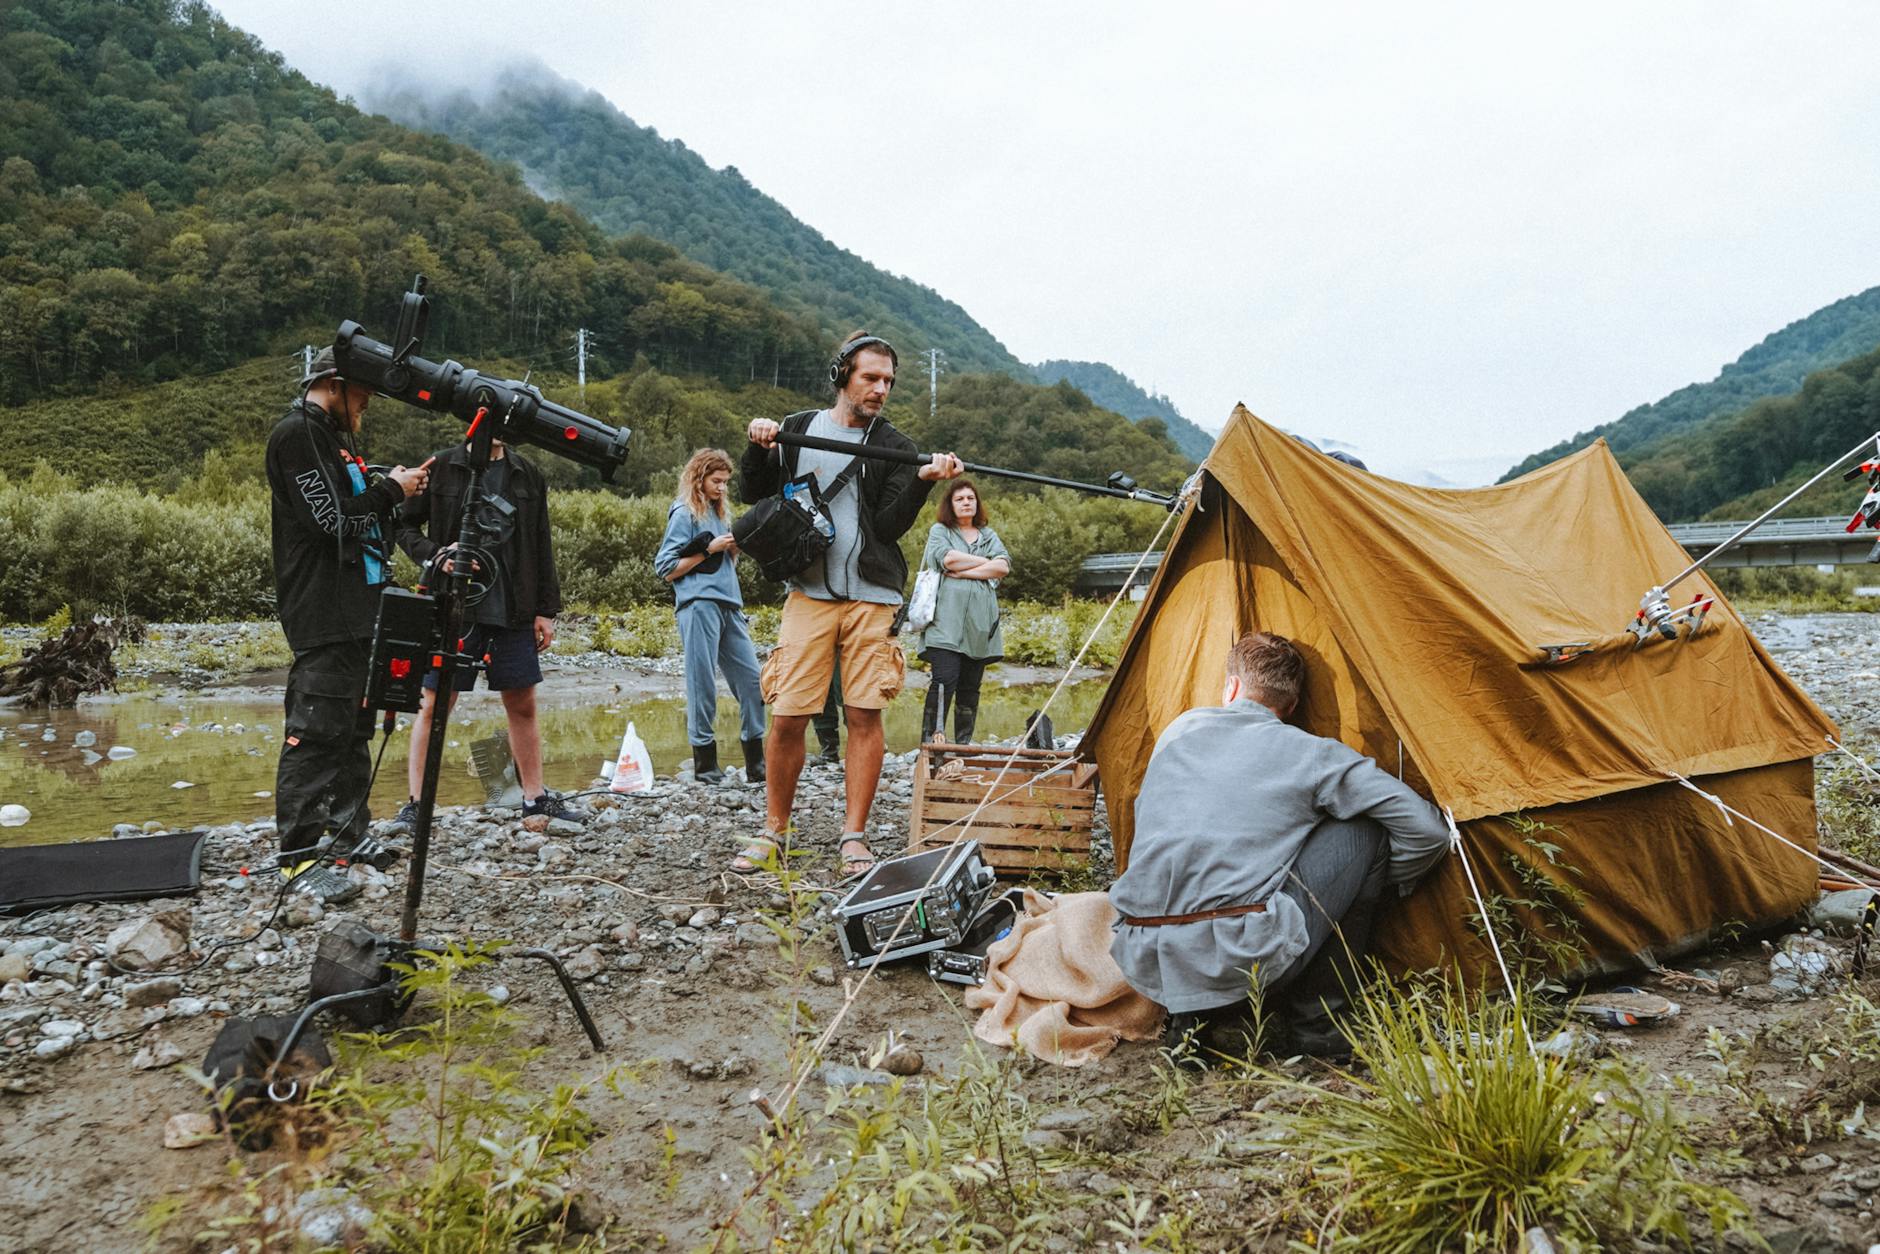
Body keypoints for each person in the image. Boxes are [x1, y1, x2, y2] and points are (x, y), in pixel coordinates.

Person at [1109, 631, 1450, 1060]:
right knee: (1365, 832)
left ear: (1231, 687)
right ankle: (1320, 1026)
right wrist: (1366, 884)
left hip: (1142, 954)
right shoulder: (1312, 753)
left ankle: (1190, 1021)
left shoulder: (1178, 731)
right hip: (1241, 957)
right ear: (1291, 706)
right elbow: (1428, 830)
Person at [735, 329, 963, 876]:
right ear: (843, 376)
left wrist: (922, 480)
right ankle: (773, 831)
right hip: (807, 593)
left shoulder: (897, 446)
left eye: (889, 381)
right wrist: (758, 445)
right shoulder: (796, 428)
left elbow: (887, 527)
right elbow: (752, 494)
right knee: (788, 715)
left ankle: (854, 836)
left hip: (872, 595)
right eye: (870, 378)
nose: (881, 389)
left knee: (863, 713)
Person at [267, 347, 432, 905]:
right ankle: (297, 859)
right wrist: (390, 491)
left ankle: (347, 834)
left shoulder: (330, 439)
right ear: (335, 384)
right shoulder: (297, 434)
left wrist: (388, 488)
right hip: (322, 611)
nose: (367, 404)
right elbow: (329, 520)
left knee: (355, 728)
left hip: (359, 609)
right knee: (316, 733)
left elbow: (353, 509)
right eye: (363, 393)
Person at [392, 436, 582, 822]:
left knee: (522, 703)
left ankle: (535, 798)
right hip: (452, 606)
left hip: (514, 608)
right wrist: (437, 555)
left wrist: (546, 611)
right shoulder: (440, 466)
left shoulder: (527, 473)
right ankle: (417, 805)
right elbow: (403, 525)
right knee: (435, 704)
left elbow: (541, 542)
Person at [655, 448, 766, 784]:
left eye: (726, 482)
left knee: (753, 682)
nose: (722, 487)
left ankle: (756, 762)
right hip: (698, 604)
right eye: (717, 481)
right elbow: (665, 568)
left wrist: (733, 549)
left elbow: (723, 562)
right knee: (701, 682)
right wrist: (708, 549)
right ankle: (704, 763)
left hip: (730, 605)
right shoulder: (684, 512)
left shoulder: (720, 513)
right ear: (699, 478)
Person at [916, 479, 1009, 745]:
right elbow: (947, 559)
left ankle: (962, 746)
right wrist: (985, 563)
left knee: (970, 687)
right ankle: (931, 744)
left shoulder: (988, 535)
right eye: (960, 499)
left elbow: (1003, 567)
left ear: (977, 503)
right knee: (944, 680)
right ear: (951, 505)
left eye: (970, 498)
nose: (966, 502)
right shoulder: (940, 531)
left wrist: (965, 571)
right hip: (944, 623)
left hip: (979, 626)